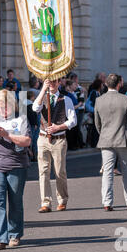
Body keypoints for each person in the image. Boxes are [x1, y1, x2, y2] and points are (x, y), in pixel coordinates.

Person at [0, 89, 32, 250]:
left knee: (15, 201)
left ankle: (15, 234)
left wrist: (6, 135)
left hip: (17, 165)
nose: (3, 110)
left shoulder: (21, 119)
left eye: (6, 106)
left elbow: (26, 141)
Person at [94, 74, 127, 211]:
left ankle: (107, 202)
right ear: (119, 84)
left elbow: (97, 123)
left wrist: (103, 134)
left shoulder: (99, 100)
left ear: (107, 84)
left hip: (106, 139)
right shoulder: (125, 99)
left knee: (107, 171)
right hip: (123, 139)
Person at [33, 78, 77, 213]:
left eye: (54, 82)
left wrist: (58, 127)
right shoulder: (42, 96)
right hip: (43, 138)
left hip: (59, 139)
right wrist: (43, 89)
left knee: (59, 171)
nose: (52, 84)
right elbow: (35, 108)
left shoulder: (66, 99)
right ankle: (45, 202)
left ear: (59, 83)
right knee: (43, 171)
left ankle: (62, 200)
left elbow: (73, 121)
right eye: (49, 82)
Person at [85, 78, 103, 148]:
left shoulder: (98, 92)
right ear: (99, 85)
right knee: (95, 128)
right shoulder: (94, 92)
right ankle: (94, 143)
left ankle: (96, 142)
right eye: (102, 84)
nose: (103, 86)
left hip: (97, 113)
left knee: (96, 128)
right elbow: (93, 103)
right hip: (95, 113)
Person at [65, 80, 82, 150]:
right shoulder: (68, 95)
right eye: (73, 85)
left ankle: (76, 144)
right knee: (72, 131)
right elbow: (71, 106)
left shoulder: (74, 93)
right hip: (71, 114)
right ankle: (72, 145)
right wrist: (79, 105)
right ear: (69, 86)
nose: (75, 86)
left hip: (76, 113)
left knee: (75, 130)